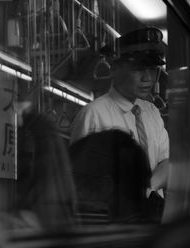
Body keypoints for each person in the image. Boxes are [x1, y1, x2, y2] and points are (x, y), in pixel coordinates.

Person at [70, 27, 169, 196]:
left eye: (152, 69)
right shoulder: (94, 115)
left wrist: (147, 190)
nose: (148, 78)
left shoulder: (152, 112)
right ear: (115, 69)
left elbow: (165, 161)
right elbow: (80, 177)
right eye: (138, 69)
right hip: (114, 218)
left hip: (151, 215)